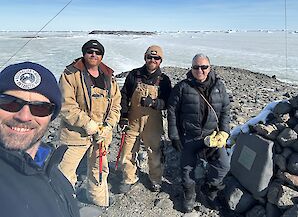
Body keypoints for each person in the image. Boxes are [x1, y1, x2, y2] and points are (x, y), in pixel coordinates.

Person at [0, 61, 79, 217]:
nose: (24, 117)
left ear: (51, 116)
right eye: (9, 103)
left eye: (40, 108)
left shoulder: (51, 168)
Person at [58, 40, 121, 207]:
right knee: (64, 172)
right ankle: (64, 206)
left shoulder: (109, 77)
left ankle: (99, 203)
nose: (94, 55)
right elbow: (66, 105)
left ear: (102, 56)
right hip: (75, 134)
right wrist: (88, 124)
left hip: (101, 136)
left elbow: (116, 105)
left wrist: (108, 126)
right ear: (84, 53)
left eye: (98, 52)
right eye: (90, 51)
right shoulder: (70, 75)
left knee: (99, 171)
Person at [167, 53, 231, 213]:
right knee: (187, 169)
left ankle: (210, 189)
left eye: (204, 67)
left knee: (223, 165)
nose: (200, 70)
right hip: (189, 137)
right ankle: (189, 195)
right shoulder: (182, 87)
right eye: (196, 67)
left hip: (212, 137)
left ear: (210, 67)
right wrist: (174, 135)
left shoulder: (219, 86)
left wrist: (224, 131)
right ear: (191, 68)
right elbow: (172, 111)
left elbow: (225, 110)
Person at [118, 45, 172, 193]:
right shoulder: (134, 75)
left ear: (161, 60)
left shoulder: (164, 80)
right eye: (150, 57)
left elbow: (168, 103)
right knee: (127, 151)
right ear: (145, 57)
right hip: (133, 120)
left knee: (154, 153)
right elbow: (124, 96)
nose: (153, 60)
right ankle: (129, 177)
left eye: (156, 58)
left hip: (152, 123)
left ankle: (155, 180)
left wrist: (154, 103)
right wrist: (123, 116)